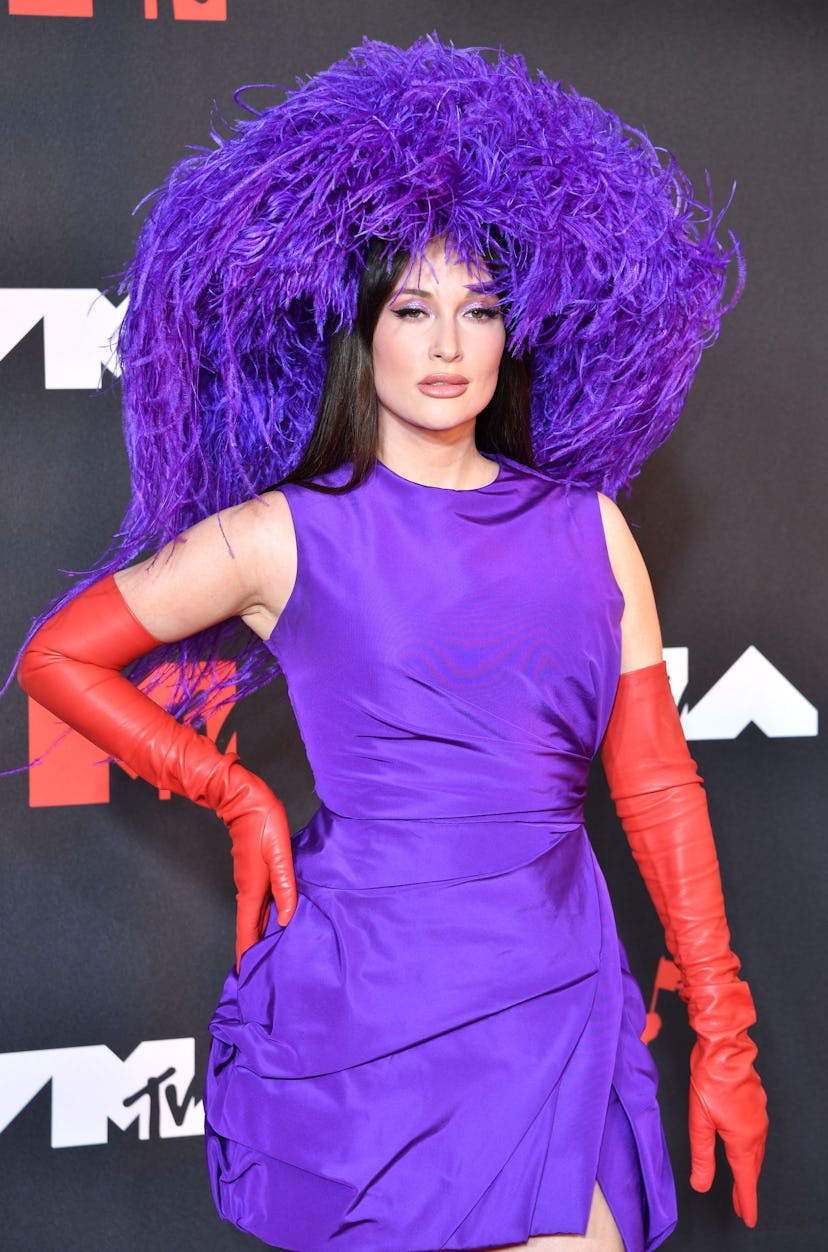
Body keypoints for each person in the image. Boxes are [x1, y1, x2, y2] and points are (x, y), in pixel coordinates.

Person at [14, 37, 767, 1252]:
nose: (449, 345)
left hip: (554, 995)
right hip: (371, 1012)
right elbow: (58, 654)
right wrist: (234, 793)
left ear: (516, 330)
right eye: (413, 309)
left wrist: (724, 1030)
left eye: (479, 309)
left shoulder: (589, 529)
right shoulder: (283, 535)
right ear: (362, 329)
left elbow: (657, 782)